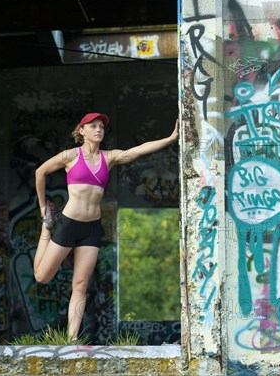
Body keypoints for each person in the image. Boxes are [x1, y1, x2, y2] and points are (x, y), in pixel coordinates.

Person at [33, 112, 179, 341]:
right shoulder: (70, 155)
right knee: (42, 277)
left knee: (80, 285)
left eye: (101, 126)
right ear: (82, 131)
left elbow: (138, 150)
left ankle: (71, 340)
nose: (99, 129)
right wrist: (43, 207)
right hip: (68, 224)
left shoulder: (108, 157)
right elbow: (39, 172)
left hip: (91, 229)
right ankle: (45, 231)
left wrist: (170, 139)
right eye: (93, 126)